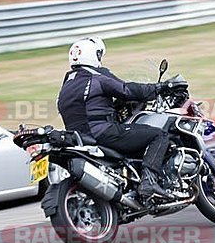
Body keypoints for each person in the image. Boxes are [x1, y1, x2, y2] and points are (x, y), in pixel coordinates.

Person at [57, 36, 170, 198]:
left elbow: (87, 107)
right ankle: (149, 181)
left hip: (80, 138)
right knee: (159, 135)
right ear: (93, 55)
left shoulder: (67, 83)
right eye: (99, 55)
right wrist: (159, 88)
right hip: (103, 133)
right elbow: (126, 90)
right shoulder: (96, 77)